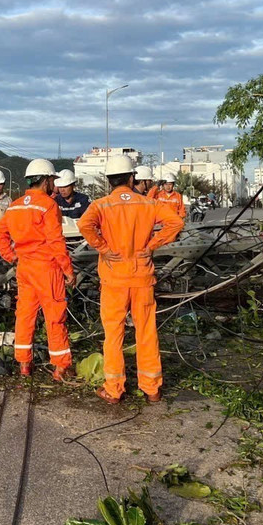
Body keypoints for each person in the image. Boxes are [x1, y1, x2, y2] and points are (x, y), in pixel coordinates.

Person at [78, 155, 184, 403]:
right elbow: (176, 222)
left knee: (114, 334)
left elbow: (85, 225)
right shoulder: (147, 203)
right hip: (142, 277)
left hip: (114, 279)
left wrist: (103, 248)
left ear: (109, 180)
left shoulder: (101, 205)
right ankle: (152, 389)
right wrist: (153, 244)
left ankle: (113, 390)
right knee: (146, 332)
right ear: (131, 177)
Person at [0, 159, 76, 380]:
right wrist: (68, 270)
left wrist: (11, 256)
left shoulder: (15, 205)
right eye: (53, 181)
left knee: (24, 315)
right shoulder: (49, 205)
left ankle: (23, 363)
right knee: (55, 316)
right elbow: (56, 241)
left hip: (24, 268)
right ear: (47, 180)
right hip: (46, 269)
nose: (55, 186)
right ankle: (60, 367)